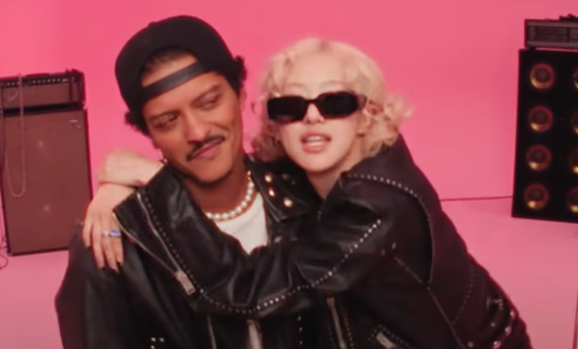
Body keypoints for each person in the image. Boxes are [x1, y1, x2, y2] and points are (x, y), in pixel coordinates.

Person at [92, 38, 533, 348]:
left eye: (335, 103)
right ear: (274, 120)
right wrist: (119, 190)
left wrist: (157, 188)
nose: (313, 118)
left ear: (367, 114)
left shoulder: (376, 204)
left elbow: (246, 291)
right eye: (290, 107)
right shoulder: (315, 169)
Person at [53, 15, 322, 349]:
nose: (197, 132)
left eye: (209, 103)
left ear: (240, 96)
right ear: (149, 133)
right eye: (168, 121)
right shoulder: (110, 235)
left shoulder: (308, 194)